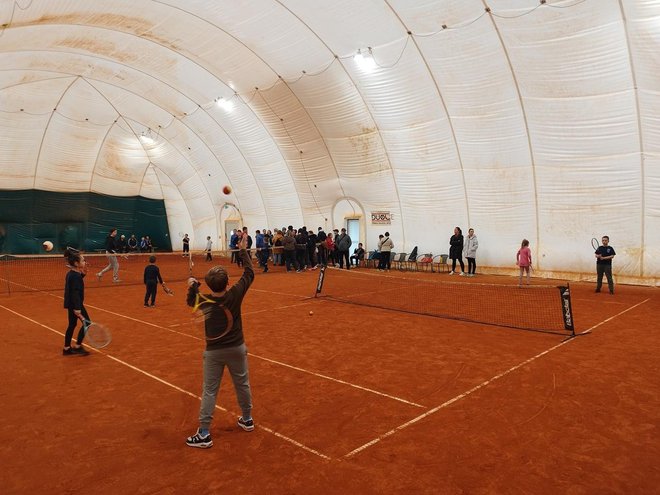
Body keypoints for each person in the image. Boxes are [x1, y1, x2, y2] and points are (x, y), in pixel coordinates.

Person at [185, 231, 255, 449]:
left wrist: (192, 285)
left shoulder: (202, 300)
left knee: (209, 390)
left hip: (214, 352)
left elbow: (190, 301)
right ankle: (247, 418)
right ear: (227, 283)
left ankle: (204, 432)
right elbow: (250, 273)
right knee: (242, 383)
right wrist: (243, 249)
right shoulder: (234, 294)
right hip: (237, 348)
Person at [62, 247, 90, 356]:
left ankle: (67, 348)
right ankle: (77, 346)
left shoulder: (72, 274)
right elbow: (75, 292)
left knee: (72, 325)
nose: (85, 262)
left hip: (70, 304)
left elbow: (75, 283)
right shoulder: (75, 276)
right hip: (75, 304)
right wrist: (77, 308)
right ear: (76, 263)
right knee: (87, 323)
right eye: (83, 260)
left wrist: (83, 274)